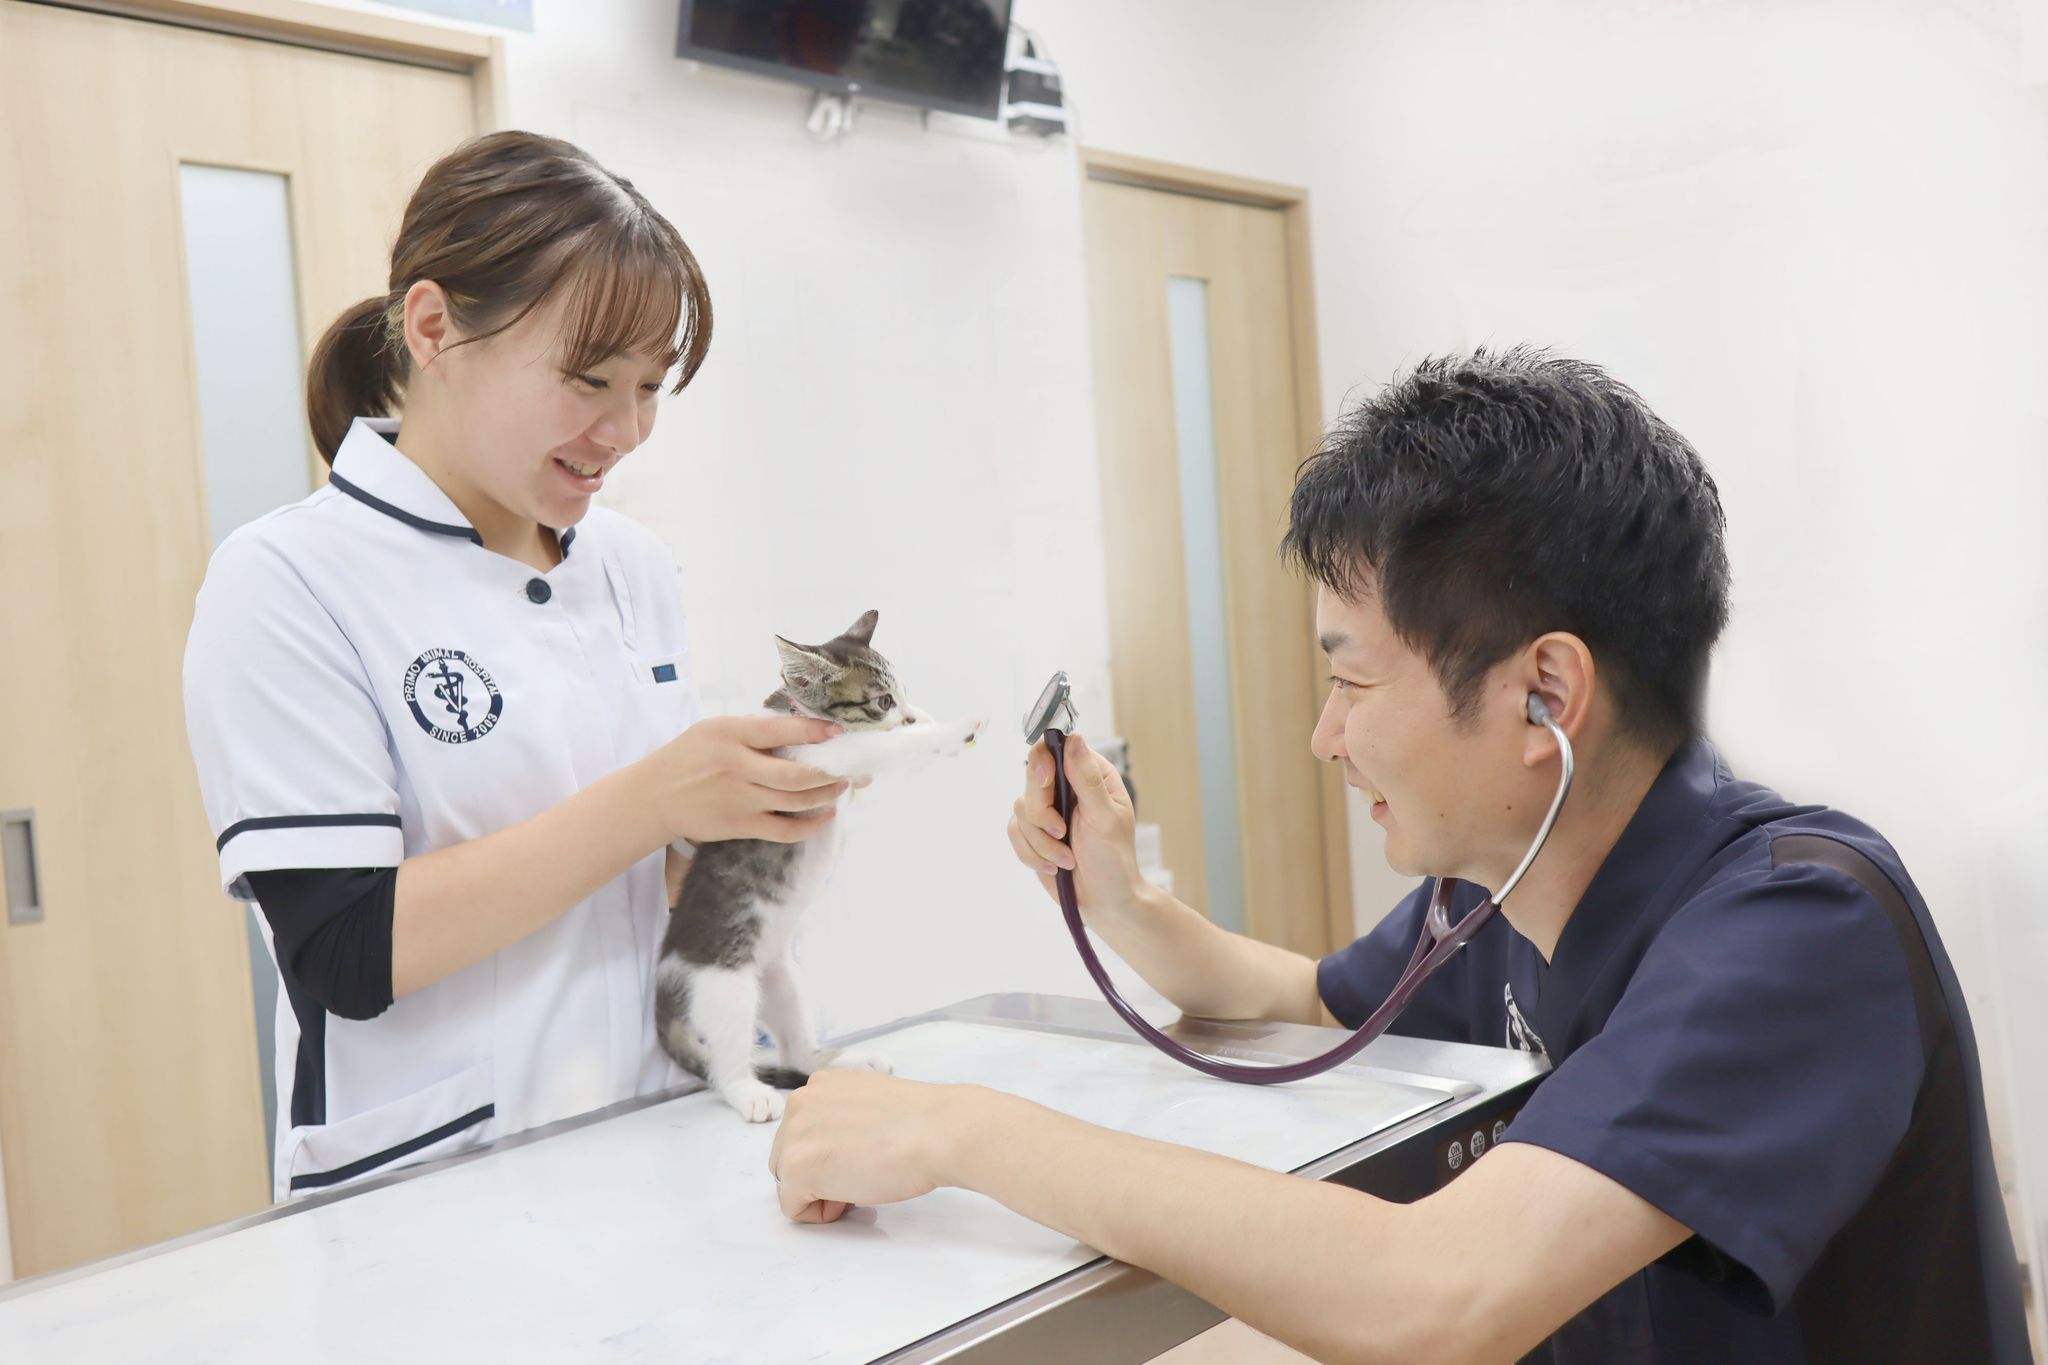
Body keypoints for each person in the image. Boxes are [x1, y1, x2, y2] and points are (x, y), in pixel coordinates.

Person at [768, 348, 2029, 1362]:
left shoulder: (1800, 926)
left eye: (1352, 681)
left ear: (1544, 695)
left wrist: (961, 1135)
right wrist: (1121, 897)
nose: (1324, 737)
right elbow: (1304, 1002)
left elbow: (1437, 1299)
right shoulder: (1503, 885)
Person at [184, 131, 847, 1201]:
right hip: (434, 1191)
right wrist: (654, 799)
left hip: (655, 1143)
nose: (625, 429)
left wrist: (748, 820)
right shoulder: (286, 582)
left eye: (651, 386)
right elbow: (342, 950)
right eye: (590, 379)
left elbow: (650, 883)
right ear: (434, 328)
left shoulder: (631, 565)